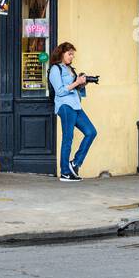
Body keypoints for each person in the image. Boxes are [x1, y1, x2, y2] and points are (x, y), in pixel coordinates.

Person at [48, 41, 97, 182]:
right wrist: (76, 83)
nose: (71, 57)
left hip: (76, 105)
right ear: (61, 53)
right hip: (65, 106)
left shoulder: (70, 69)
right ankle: (64, 172)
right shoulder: (55, 69)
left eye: (73, 55)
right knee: (68, 138)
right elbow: (60, 91)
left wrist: (83, 83)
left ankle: (75, 163)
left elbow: (76, 89)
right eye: (69, 54)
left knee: (91, 132)